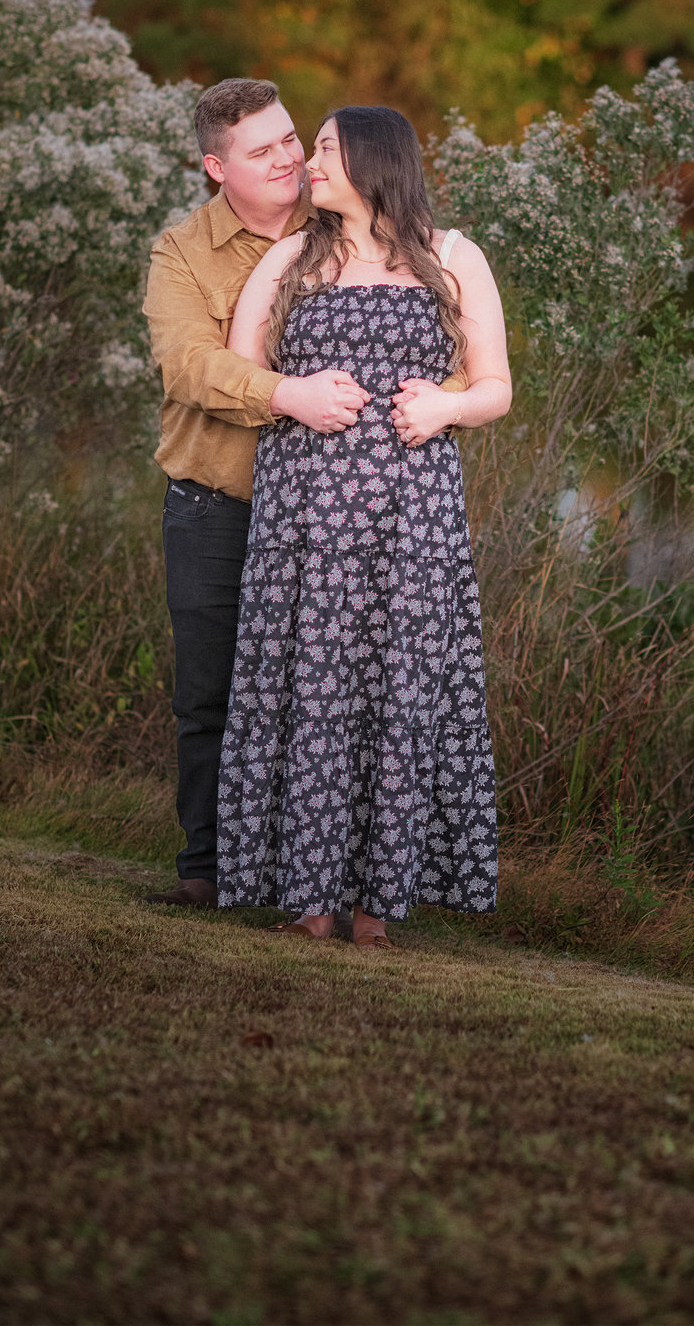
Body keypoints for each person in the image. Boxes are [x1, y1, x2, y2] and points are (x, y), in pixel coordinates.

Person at [142, 78, 466, 908]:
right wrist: (286, 394)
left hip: (342, 516)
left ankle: (319, 874)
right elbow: (185, 366)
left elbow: (442, 343)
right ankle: (208, 871)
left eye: (294, 139)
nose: (290, 158)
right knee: (215, 693)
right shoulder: (183, 253)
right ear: (217, 168)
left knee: (339, 688)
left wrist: (443, 403)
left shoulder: (352, 222)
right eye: (264, 150)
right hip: (219, 500)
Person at [216, 106, 510, 945]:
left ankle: (378, 913)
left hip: (411, 517)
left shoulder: (454, 257)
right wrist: (299, 397)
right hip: (305, 515)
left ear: (374, 162)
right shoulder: (289, 260)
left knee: (401, 692)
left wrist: (448, 404)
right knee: (308, 688)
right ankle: (310, 909)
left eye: (325, 149)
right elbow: (244, 372)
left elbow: (496, 384)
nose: (309, 162)